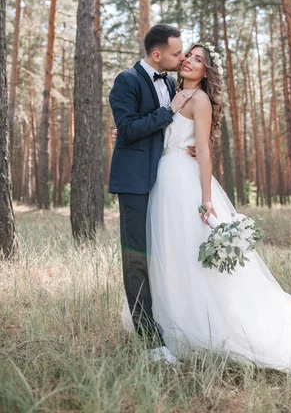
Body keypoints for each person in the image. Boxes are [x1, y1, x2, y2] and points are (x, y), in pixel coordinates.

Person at [122, 41, 291, 381]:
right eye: (188, 56)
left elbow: (204, 149)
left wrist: (206, 198)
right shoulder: (169, 95)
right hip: (160, 183)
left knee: (193, 255)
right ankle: (169, 323)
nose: (190, 61)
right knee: (170, 256)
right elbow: (151, 129)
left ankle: (207, 326)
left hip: (184, 184)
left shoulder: (200, 99)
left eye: (199, 59)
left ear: (207, 71)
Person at [109, 24, 195, 364]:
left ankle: (176, 326)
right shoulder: (126, 81)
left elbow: (177, 126)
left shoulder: (174, 83)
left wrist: (191, 148)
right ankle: (150, 342)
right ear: (157, 55)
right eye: (177, 53)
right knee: (137, 259)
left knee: (166, 256)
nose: (182, 57)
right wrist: (168, 111)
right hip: (135, 182)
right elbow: (128, 130)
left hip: (169, 182)